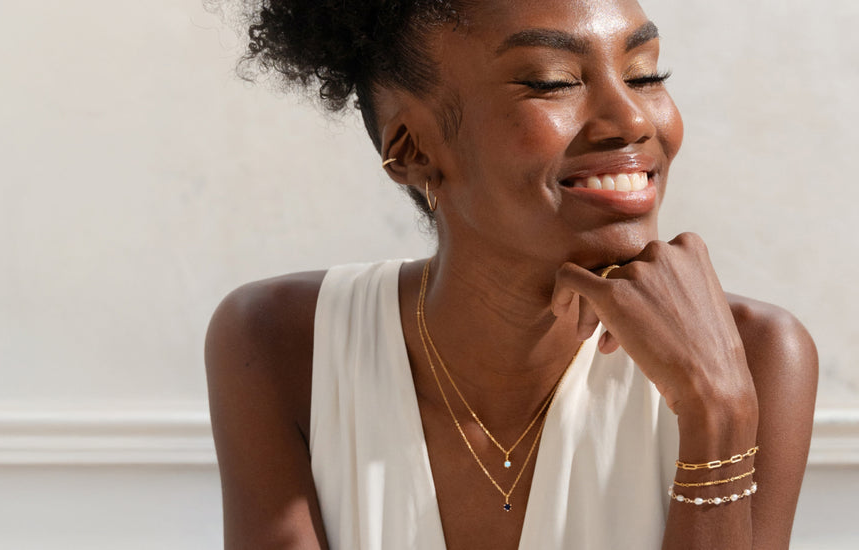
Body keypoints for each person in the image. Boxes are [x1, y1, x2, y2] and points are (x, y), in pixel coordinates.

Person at [202, 0, 820, 548]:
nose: (633, 119)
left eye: (645, 74)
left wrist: (717, 411)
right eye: (553, 82)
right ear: (413, 150)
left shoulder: (756, 354)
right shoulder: (283, 343)